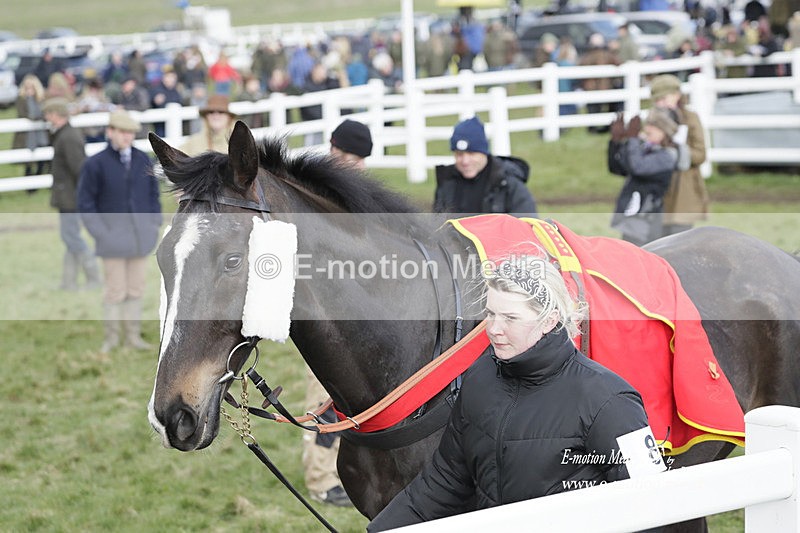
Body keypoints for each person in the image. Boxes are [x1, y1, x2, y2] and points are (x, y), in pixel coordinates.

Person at [368, 254, 665, 531]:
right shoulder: (480, 376)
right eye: (490, 314)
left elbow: (651, 503)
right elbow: (446, 477)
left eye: (510, 318)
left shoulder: (609, 400)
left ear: (549, 320)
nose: (494, 329)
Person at [300, 119, 373, 508]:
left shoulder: (355, 193)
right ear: (333, 151)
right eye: (350, 157)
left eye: (360, 160)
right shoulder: (314, 198)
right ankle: (320, 479)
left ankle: (340, 471)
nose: (356, 167)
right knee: (324, 400)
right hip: (326, 318)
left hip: (358, 317)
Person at [78, 109, 162, 353]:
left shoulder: (143, 159)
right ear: (110, 132)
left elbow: (152, 193)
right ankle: (112, 338)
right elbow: (85, 203)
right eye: (122, 132)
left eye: (131, 133)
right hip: (111, 239)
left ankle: (133, 336)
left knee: (135, 288)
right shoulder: (95, 164)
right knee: (115, 290)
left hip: (140, 237)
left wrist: (153, 222)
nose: (127, 137)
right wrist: (100, 233)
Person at [43, 97, 101, 291]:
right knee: (70, 238)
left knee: (72, 237)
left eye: (48, 114)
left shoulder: (69, 137)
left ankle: (93, 277)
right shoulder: (63, 134)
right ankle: (68, 282)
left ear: (56, 115)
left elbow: (80, 169)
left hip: (72, 197)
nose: (46, 117)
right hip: (67, 196)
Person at [608, 109, 690, 246]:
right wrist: (616, 142)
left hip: (647, 220)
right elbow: (617, 169)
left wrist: (633, 139)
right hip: (634, 217)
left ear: (665, 132)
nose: (647, 128)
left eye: (653, 126)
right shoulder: (645, 149)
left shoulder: (667, 156)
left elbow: (638, 167)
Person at [433, 116, 537, 216]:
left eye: (471, 153)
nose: (465, 161)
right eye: (459, 154)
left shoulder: (508, 183)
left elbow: (527, 226)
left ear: (484, 153)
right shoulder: (447, 182)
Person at [648, 74, 709, 237]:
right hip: (658, 187)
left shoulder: (690, 118)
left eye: (663, 98)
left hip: (683, 187)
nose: (659, 103)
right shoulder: (652, 118)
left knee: (679, 238)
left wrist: (678, 152)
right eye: (656, 100)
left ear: (677, 96)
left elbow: (700, 154)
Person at [13, 74, 50, 177]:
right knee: (28, 158)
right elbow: (23, 114)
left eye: (31, 86)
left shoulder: (42, 98)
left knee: (42, 154)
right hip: (27, 134)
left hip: (41, 132)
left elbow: (45, 111)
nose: (29, 89)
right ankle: (29, 179)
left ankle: (39, 174)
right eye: (27, 87)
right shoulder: (21, 98)